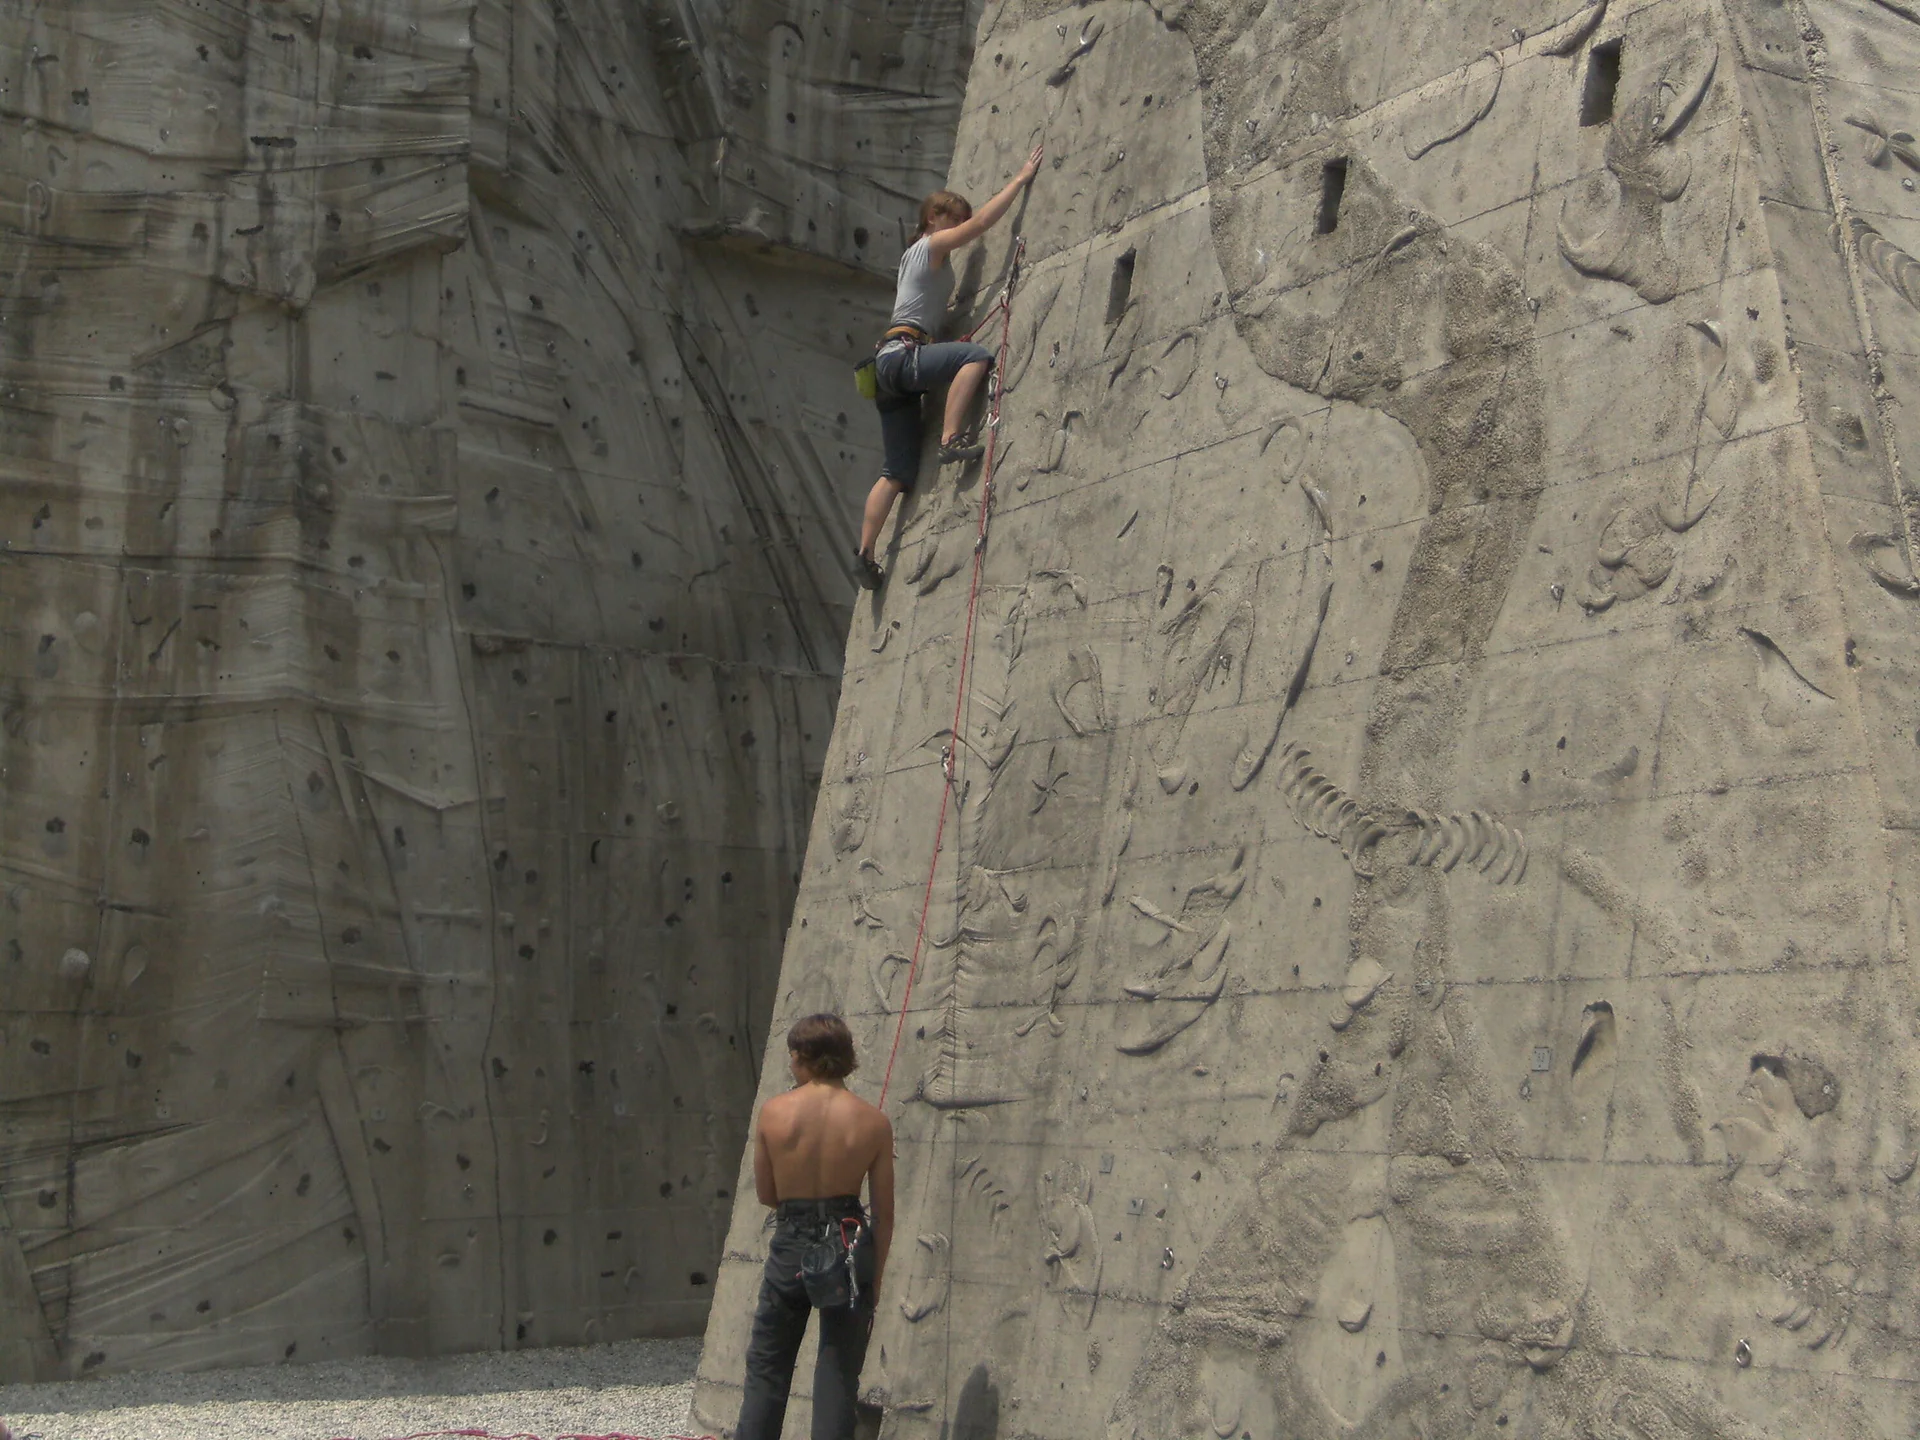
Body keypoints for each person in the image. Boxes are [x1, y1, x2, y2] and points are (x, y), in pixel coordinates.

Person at [855, 145, 1046, 587]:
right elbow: (981, 225)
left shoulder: (917, 261)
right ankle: (950, 438)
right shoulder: (928, 245)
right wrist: (1019, 179)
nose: (957, 225)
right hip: (902, 357)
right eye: (951, 217)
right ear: (933, 218)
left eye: (958, 218)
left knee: (897, 473)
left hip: (889, 367)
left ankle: (863, 555)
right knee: (975, 357)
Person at [735, 1014, 895, 1440]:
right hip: (846, 1239)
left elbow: (768, 1194)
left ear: (804, 1057)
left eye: (792, 1055)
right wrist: (873, 1281)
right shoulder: (874, 1122)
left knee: (768, 1365)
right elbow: (884, 1212)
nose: (791, 1064)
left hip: (792, 1239)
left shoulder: (774, 1112)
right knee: (838, 1369)